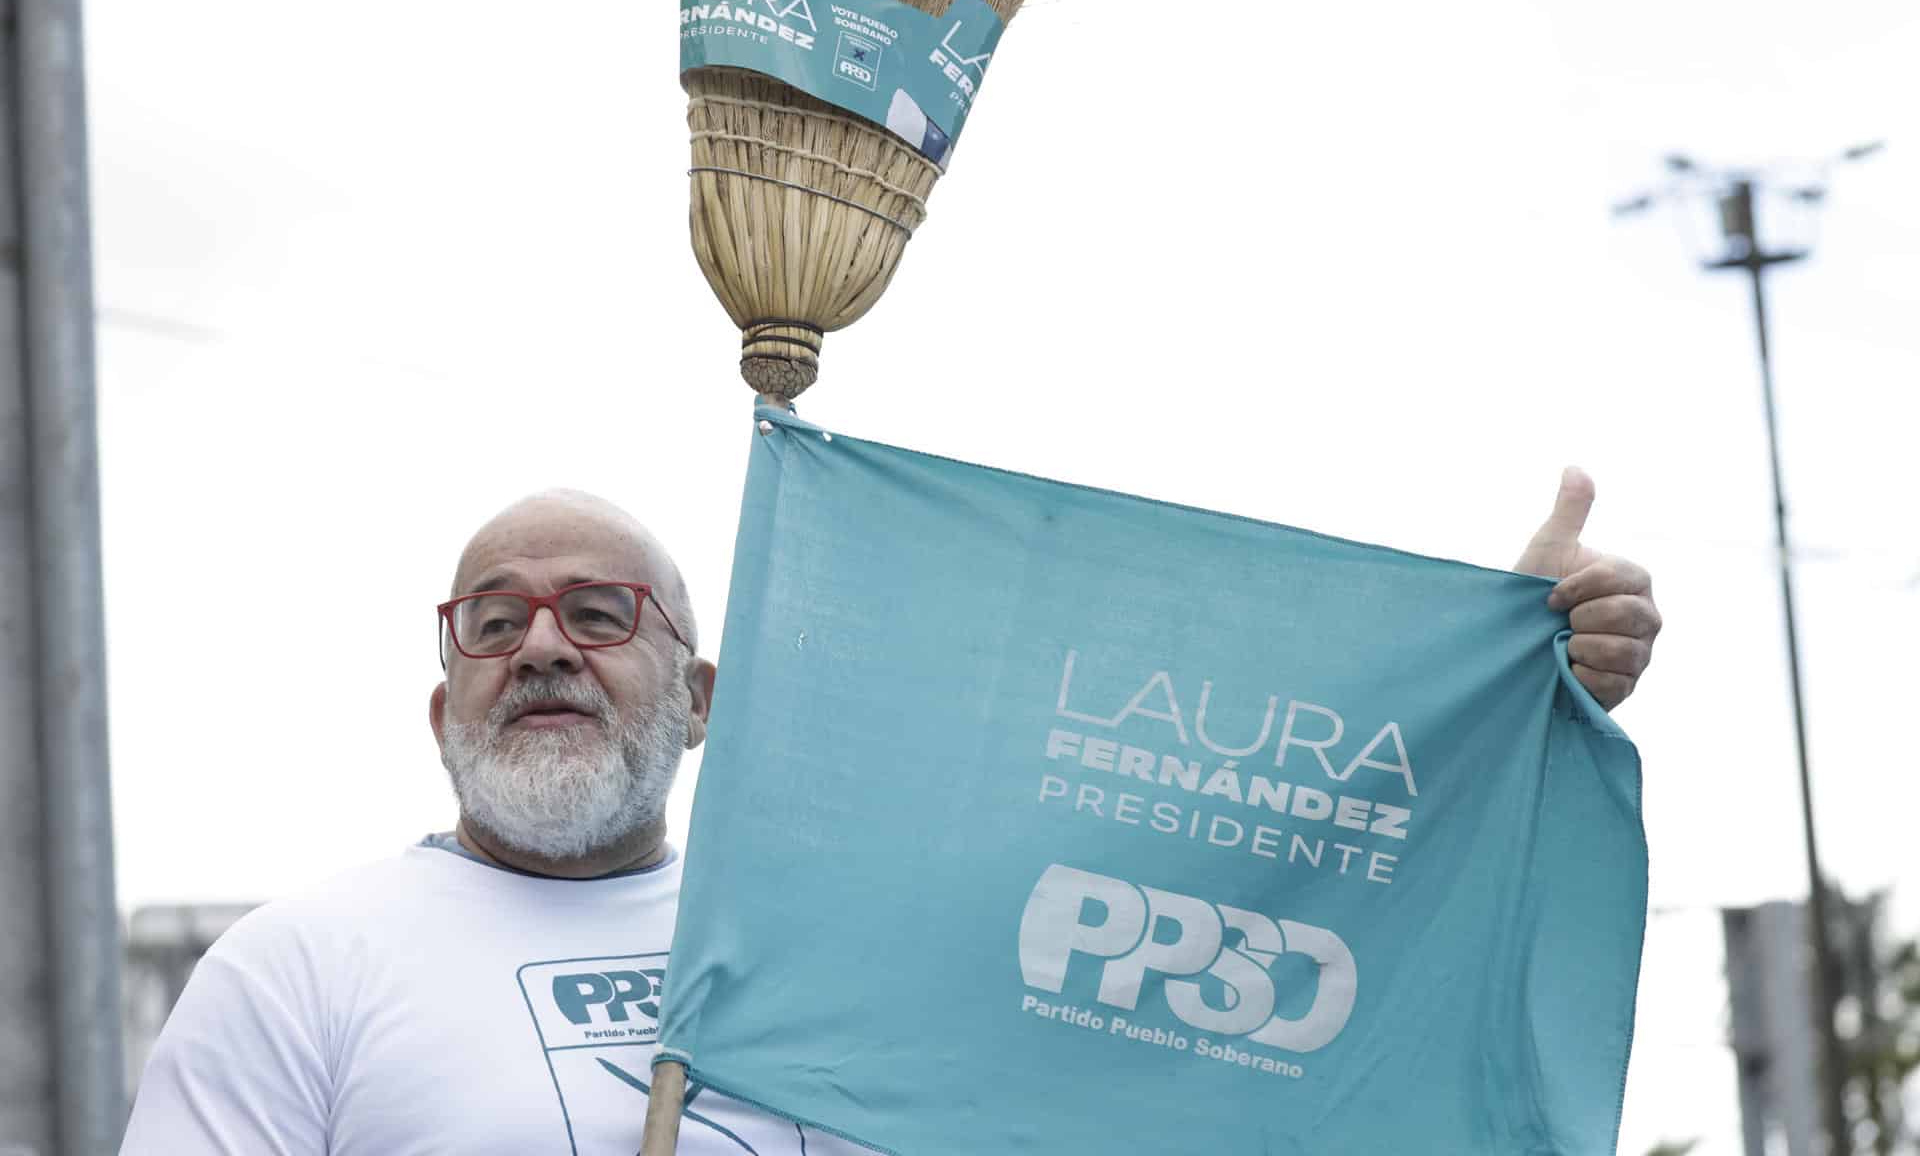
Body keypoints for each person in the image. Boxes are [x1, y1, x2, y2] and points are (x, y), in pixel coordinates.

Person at [120, 474, 1660, 1155]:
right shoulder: (297, 973)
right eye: (492, 622)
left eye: (600, 613)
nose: (538, 645)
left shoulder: (878, 923)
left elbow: (1227, 856)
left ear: (705, 695)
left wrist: (1491, 680)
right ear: (439, 699)